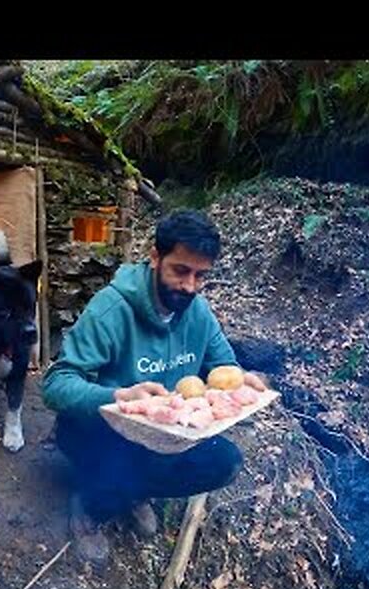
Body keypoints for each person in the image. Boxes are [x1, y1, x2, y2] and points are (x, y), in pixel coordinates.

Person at [41, 210, 267, 563]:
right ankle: (90, 507)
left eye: (200, 276)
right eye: (180, 271)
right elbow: (55, 385)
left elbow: (224, 365)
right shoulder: (111, 309)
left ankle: (133, 491)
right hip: (98, 428)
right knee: (120, 464)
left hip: (164, 433)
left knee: (225, 463)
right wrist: (117, 396)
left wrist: (241, 381)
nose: (190, 286)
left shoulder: (198, 312)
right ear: (155, 257)